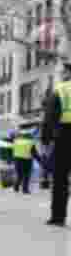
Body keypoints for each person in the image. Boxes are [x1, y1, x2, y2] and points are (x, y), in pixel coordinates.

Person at [42, 62, 71, 226]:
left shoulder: (60, 90)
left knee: (60, 179)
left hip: (64, 136)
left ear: (68, 72)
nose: (61, 74)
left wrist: (46, 141)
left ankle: (58, 217)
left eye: (62, 71)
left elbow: (49, 117)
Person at [11, 124, 41, 194]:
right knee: (26, 175)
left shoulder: (16, 140)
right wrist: (40, 161)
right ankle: (25, 189)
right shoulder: (30, 142)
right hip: (27, 160)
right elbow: (34, 153)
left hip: (17, 159)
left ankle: (16, 187)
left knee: (19, 175)